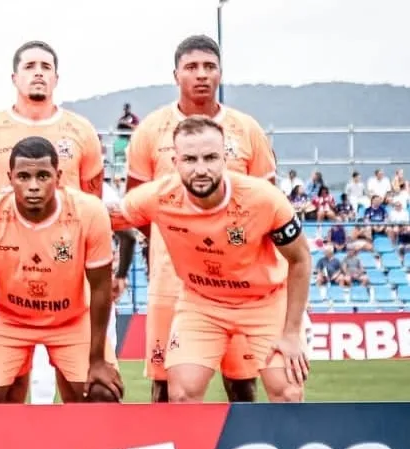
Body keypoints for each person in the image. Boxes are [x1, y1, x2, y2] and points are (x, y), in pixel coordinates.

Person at [111, 116, 310, 402]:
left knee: (288, 392)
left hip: (264, 302)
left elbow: (300, 259)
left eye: (210, 158)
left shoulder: (264, 200)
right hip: (201, 303)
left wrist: (291, 333)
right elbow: (99, 216)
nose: (201, 169)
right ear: (175, 161)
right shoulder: (158, 196)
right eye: (190, 159)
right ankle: (192, 448)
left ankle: (273, 447)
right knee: (180, 394)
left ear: (224, 158)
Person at [125, 35, 277, 403]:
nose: (201, 75)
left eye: (209, 67)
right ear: (176, 74)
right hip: (172, 279)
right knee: (166, 385)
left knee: (241, 384)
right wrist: (169, 243)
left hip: (237, 284)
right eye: (192, 67)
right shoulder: (151, 130)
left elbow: (268, 206)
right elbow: (136, 205)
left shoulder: (247, 130)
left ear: (220, 73)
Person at [0, 136, 123, 404]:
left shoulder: (89, 213)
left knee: (101, 393)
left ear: (58, 177)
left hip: (71, 318)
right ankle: (11, 446)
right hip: (7, 318)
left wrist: (97, 361)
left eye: (43, 176)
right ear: (9, 177)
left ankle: (79, 446)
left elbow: (101, 288)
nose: (33, 186)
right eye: (23, 176)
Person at [0, 40, 104, 215]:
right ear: (14, 78)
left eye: (46, 67)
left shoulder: (82, 130)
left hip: (63, 240)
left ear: (56, 79)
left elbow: (92, 206)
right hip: (5, 239)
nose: (38, 73)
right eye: (29, 67)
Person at [28, 181, 136, 404]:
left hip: (84, 299)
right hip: (59, 301)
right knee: (83, 382)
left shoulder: (98, 197)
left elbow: (128, 235)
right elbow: (128, 236)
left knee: (85, 381)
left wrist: (121, 275)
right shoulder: (96, 194)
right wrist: (121, 276)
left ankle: (63, 433)